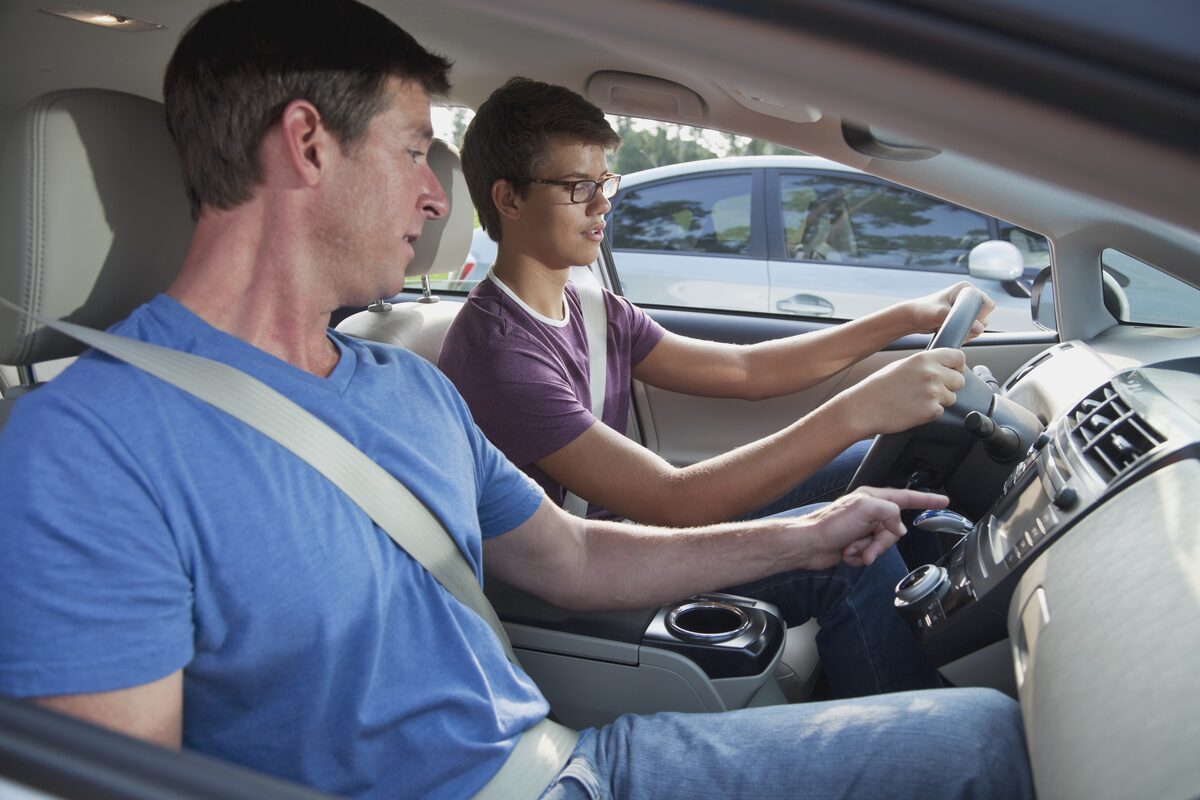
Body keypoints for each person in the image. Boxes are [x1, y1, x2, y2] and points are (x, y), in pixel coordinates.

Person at [0, 2, 1033, 799]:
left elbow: (576, 556)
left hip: (571, 758)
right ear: (307, 144)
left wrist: (811, 534)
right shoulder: (88, 446)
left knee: (985, 735)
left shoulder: (406, 382)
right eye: (415, 149)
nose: (437, 194)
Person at [438, 77, 988, 697]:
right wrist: (858, 408)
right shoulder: (499, 355)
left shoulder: (591, 308)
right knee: (850, 558)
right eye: (577, 188)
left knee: (874, 464)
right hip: (588, 578)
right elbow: (673, 501)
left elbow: (744, 371)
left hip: (632, 538)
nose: (602, 204)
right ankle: (916, 741)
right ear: (508, 199)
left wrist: (906, 317)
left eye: (604, 182)